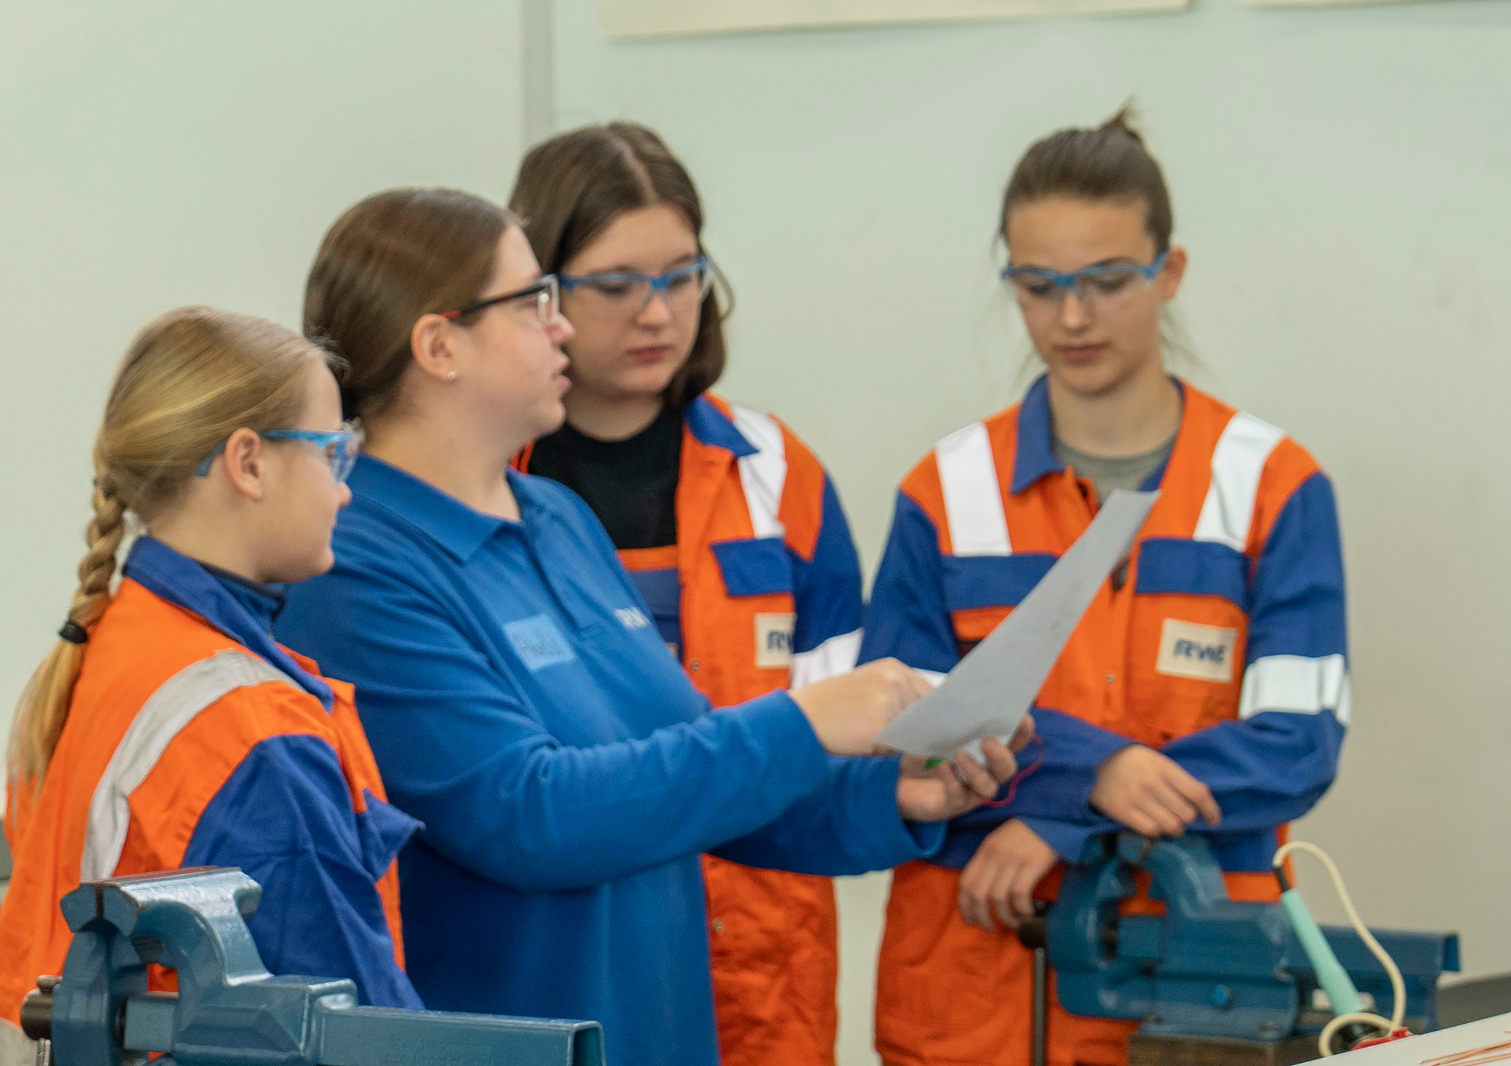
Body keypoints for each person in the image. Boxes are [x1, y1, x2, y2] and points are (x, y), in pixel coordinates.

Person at [275, 186, 1026, 1066]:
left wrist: (892, 795)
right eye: (533, 303)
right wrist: (806, 721)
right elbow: (528, 813)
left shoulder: (554, 517)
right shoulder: (355, 562)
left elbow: (684, 772)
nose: (561, 327)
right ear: (440, 346)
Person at [862, 108, 1349, 1066]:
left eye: (1106, 282)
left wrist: (1064, 809)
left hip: (1194, 983)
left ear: (1170, 274)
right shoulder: (945, 493)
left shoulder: (1271, 486)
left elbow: (1297, 741)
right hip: (980, 984)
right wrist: (1102, 773)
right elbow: (904, 730)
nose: (1072, 318)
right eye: (1039, 287)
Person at [506, 122, 863, 1066]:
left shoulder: (777, 474)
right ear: (538, 294)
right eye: (618, 285)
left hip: (768, 956)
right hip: (577, 943)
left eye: (683, 275)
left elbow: (837, 733)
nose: (659, 312)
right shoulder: (486, 487)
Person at [0, 307, 422, 1027]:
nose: (344, 488)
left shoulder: (108, 646)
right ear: (248, 462)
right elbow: (353, 1031)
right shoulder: (250, 734)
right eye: (331, 453)